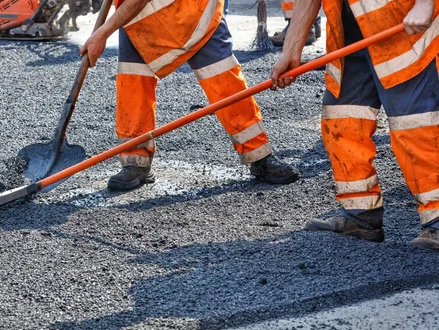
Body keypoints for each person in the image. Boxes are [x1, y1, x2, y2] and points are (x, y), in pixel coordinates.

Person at [270, 0, 439, 248]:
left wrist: (426, 3)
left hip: (405, 29)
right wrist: (291, 49)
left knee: (415, 127)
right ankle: (361, 215)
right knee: (342, 121)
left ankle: (436, 219)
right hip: (350, 34)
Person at [81, 0, 300, 191]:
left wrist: (102, 33)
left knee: (222, 77)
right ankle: (135, 161)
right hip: (140, 21)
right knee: (133, 79)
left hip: (194, 13)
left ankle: (259, 155)